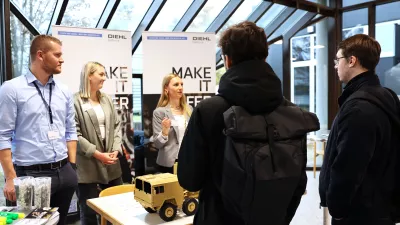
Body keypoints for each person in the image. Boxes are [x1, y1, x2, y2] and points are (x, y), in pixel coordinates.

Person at [178, 21, 318, 225]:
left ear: (227, 60)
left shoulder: (208, 111)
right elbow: (298, 182)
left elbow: (189, 179)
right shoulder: (292, 114)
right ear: (265, 56)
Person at [319, 34, 400, 225]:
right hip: (380, 206)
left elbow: (348, 165)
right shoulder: (386, 96)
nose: (335, 66)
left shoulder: (358, 107)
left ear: (352, 61)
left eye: (338, 60)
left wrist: (337, 210)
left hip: (359, 213)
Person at [0, 35, 78, 225]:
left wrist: (72, 167)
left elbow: (71, 130)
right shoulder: (12, 89)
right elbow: (2, 136)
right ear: (41, 55)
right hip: (30, 175)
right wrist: (11, 178)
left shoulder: (64, 90)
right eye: (57, 54)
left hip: (64, 171)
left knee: (60, 222)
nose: (62, 59)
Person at [73, 61, 123, 225]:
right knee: (88, 212)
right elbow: (75, 134)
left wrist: (115, 149)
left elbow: (117, 125)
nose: (104, 78)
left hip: (111, 163)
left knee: (116, 209)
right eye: (101, 74)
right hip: (87, 165)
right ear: (89, 76)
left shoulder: (106, 99)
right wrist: (97, 154)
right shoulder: (75, 101)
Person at [151, 74, 192, 174]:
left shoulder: (189, 109)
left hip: (187, 161)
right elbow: (157, 144)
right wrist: (164, 132)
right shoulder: (159, 112)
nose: (180, 87)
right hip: (168, 164)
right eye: (176, 84)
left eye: (181, 84)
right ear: (166, 89)